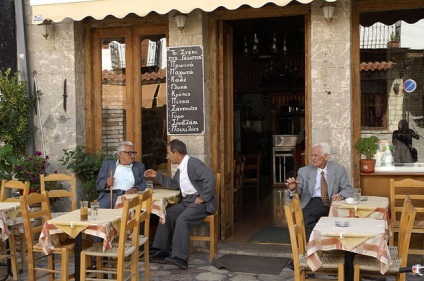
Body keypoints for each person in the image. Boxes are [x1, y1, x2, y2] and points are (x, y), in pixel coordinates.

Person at [144, 139, 216, 270]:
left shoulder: (193, 163)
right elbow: (173, 185)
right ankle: (161, 250)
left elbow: (209, 178)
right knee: (166, 214)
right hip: (187, 202)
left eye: (168, 153)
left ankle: (180, 258)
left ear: (176, 153)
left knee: (182, 220)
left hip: (199, 203)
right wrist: (156, 175)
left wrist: (203, 197)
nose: (167, 156)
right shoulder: (181, 168)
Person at [286, 142, 354, 241]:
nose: (312, 158)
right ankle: (314, 246)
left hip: (332, 202)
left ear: (326, 156)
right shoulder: (303, 171)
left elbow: (348, 189)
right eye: (311, 155)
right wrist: (293, 188)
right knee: (307, 217)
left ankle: (322, 243)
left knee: (349, 222)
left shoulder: (338, 170)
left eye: (316, 155)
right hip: (311, 201)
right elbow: (299, 190)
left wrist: (340, 195)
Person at [96, 141, 147, 208]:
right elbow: (98, 183)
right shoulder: (107, 164)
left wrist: (135, 188)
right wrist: (106, 183)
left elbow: (145, 183)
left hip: (128, 196)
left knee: (126, 215)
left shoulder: (139, 167)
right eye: (129, 153)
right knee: (101, 213)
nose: (132, 156)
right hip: (109, 195)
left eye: (133, 153)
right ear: (120, 154)